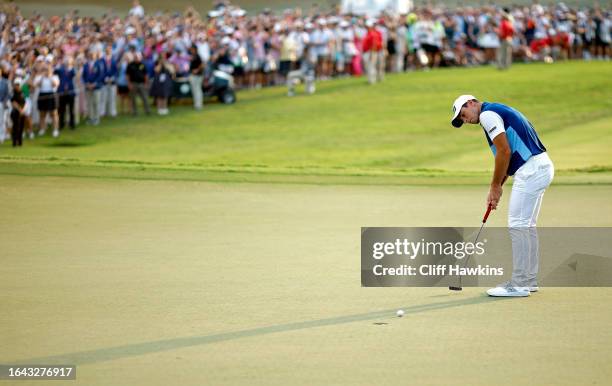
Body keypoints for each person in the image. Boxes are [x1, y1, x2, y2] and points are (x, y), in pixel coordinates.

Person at [451, 95, 554, 297]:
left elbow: (504, 152)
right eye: (462, 120)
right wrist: (497, 189)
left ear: (471, 103)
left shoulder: (488, 115)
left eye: (463, 115)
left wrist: (495, 185)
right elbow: (509, 153)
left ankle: (519, 284)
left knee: (518, 224)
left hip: (531, 170)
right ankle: (528, 280)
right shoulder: (496, 110)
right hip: (541, 166)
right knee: (526, 226)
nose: (466, 120)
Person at [34, 61, 60, 137]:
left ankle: (55, 130)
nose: (46, 71)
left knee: (54, 114)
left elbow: (55, 85)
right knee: (42, 114)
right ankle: (42, 129)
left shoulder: (55, 77)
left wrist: (50, 76)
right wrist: (43, 77)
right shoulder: (39, 77)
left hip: (52, 95)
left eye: (48, 69)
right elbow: (37, 85)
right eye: (45, 69)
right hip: (42, 94)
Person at [126, 51, 150, 115]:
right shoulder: (130, 65)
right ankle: (134, 111)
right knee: (133, 98)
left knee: (145, 97)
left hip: (141, 83)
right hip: (133, 83)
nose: (137, 58)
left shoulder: (143, 64)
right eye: (136, 57)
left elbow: (146, 75)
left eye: (138, 57)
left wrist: (146, 83)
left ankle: (147, 110)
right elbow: (127, 75)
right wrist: (129, 84)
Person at [10, 78, 26, 147]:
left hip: (22, 112)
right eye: (16, 84)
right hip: (15, 112)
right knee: (15, 127)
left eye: (18, 84)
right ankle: (14, 142)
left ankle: (20, 141)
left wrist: (23, 110)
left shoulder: (22, 92)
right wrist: (20, 110)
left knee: (21, 127)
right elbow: (13, 102)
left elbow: (24, 102)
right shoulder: (13, 93)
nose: (17, 86)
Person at [188, 45, 205, 110]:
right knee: (195, 90)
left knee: (197, 90)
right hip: (193, 75)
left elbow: (202, 64)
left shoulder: (198, 56)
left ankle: (199, 105)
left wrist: (197, 70)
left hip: (197, 75)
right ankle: (196, 104)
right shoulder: (193, 56)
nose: (191, 51)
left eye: (192, 49)